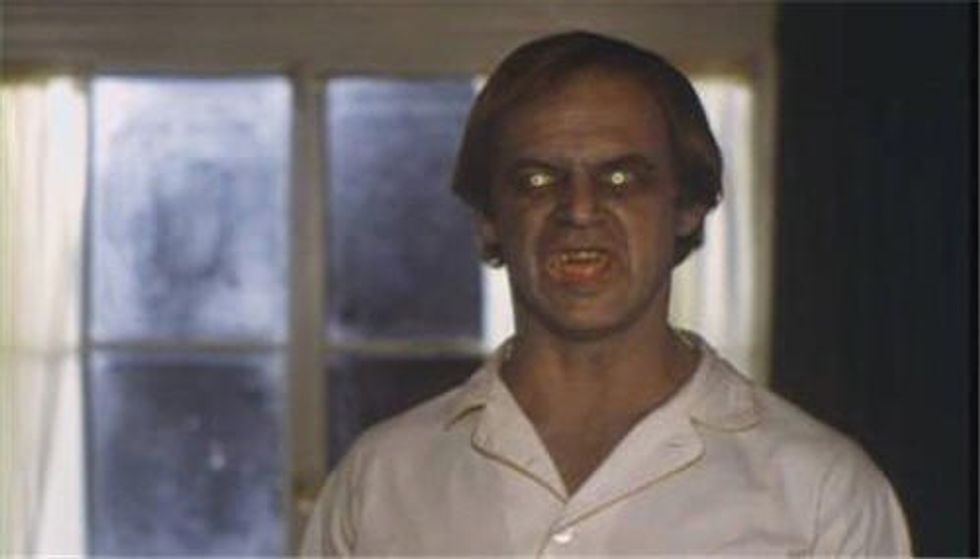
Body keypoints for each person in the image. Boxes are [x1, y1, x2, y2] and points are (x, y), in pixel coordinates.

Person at [302, 31, 911, 556]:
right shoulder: (380, 481)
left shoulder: (821, 495)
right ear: (489, 218)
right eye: (537, 180)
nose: (579, 209)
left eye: (621, 178)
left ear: (688, 206)